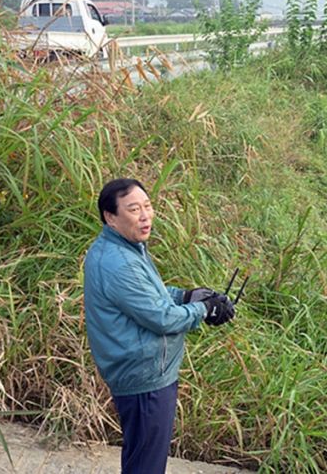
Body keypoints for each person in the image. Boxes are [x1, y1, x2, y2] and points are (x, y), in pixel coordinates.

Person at [83, 178, 235, 474]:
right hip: (144, 378)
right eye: (133, 209)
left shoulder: (124, 249)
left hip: (145, 373)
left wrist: (186, 296)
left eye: (148, 206)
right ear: (110, 217)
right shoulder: (119, 263)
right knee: (147, 466)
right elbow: (161, 318)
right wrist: (203, 309)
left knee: (142, 458)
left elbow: (148, 296)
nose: (145, 215)